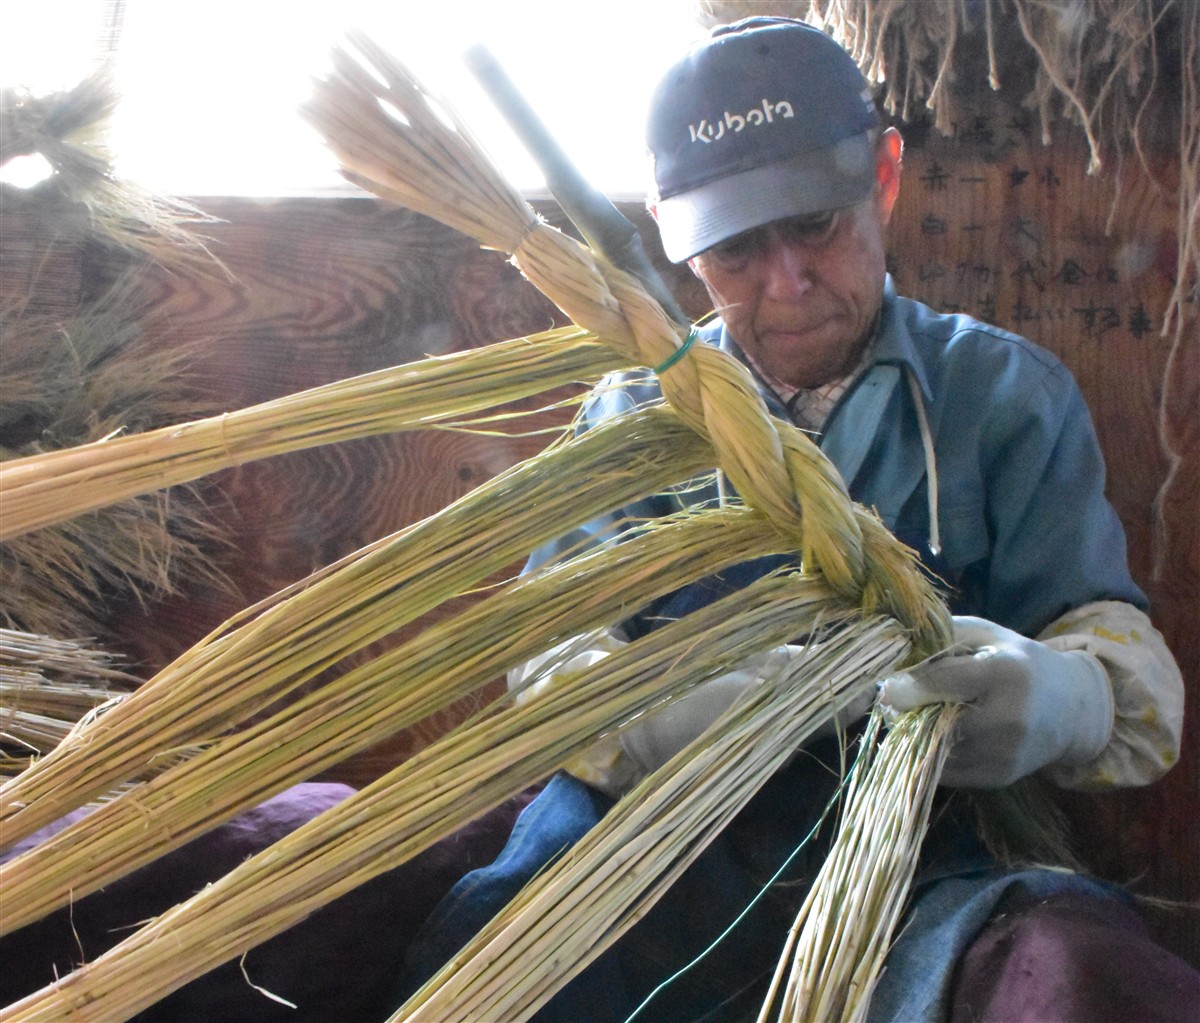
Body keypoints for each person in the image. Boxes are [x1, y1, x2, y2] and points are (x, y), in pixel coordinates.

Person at [398, 17, 1196, 1021]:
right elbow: (554, 664)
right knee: (495, 953)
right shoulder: (636, 418)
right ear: (675, 237)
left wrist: (1066, 697)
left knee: (1069, 978)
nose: (787, 283)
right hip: (659, 851)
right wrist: (651, 722)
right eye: (734, 250)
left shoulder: (1000, 398)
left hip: (926, 865)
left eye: (817, 223)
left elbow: (1124, 662)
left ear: (886, 176)